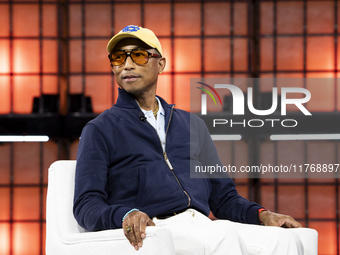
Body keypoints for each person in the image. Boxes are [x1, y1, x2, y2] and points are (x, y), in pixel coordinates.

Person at [73, 25, 304, 254]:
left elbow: (223, 197)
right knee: (223, 237)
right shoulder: (100, 129)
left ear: (160, 64)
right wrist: (126, 214)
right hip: (156, 229)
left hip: (202, 224)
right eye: (118, 58)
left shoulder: (192, 125)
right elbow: (86, 205)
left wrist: (262, 214)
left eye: (139, 55)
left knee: (285, 240)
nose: (127, 64)